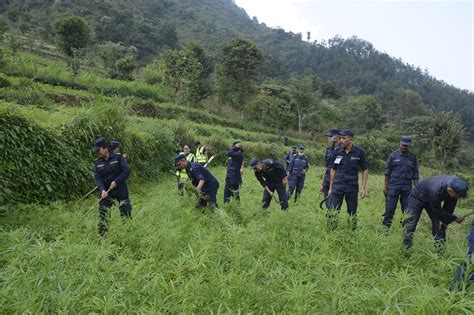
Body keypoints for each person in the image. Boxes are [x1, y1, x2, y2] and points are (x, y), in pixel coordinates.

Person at [402, 176, 467, 249]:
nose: (459, 198)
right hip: (417, 197)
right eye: (458, 196)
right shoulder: (435, 190)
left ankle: (440, 253)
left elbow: (448, 209)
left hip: (433, 200)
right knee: (410, 223)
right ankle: (406, 249)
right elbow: (437, 211)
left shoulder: (455, 187)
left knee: (440, 226)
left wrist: (445, 221)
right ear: (449, 190)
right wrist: (455, 218)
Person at [327, 129, 368, 230]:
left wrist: (363, 188)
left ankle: (352, 232)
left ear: (350, 139)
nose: (341, 140)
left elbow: (365, 170)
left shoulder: (359, 152)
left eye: (344, 138)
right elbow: (333, 170)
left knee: (352, 212)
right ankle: (331, 232)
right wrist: (330, 187)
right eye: (340, 138)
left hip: (352, 187)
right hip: (338, 186)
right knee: (333, 211)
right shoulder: (337, 152)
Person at [93, 137, 132, 237]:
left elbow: (126, 171)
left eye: (99, 150)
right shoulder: (97, 162)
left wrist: (116, 181)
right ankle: (103, 236)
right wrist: (102, 190)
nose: (98, 152)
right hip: (107, 191)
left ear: (105, 148)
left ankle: (129, 234)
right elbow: (98, 178)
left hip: (121, 189)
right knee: (103, 212)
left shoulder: (118, 158)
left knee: (125, 211)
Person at [382, 136, 419, 228]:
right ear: (400, 144)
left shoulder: (412, 158)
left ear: (409, 146)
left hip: (407, 188)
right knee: (389, 209)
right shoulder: (393, 156)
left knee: (407, 210)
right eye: (402, 145)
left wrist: (416, 189)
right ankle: (386, 229)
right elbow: (387, 173)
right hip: (393, 187)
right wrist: (385, 187)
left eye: (406, 146)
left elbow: (415, 174)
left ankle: (405, 229)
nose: (404, 147)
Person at [320, 128, 341, 197]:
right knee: (325, 199)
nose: (329, 138)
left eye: (331, 136)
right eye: (329, 136)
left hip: (337, 179)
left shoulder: (342, 150)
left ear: (337, 136)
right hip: (327, 178)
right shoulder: (328, 150)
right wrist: (322, 183)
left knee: (333, 201)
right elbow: (326, 167)